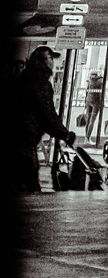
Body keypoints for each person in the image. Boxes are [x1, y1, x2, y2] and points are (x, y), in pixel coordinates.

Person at [17, 46, 76, 192]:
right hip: (25, 140)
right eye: (50, 59)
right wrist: (65, 134)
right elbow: (47, 115)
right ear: (42, 61)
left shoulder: (24, 78)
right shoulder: (41, 83)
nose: (53, 63)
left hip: (16, 137)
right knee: (30, 188)